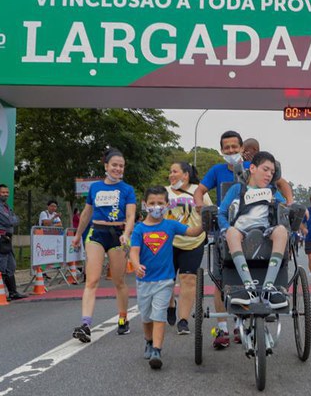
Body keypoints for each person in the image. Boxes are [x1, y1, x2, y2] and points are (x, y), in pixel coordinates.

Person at [130, 186, 204, 369]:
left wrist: (205, 221)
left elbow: (192, 232)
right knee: (146, 317)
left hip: (165, 280)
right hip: (144, 281)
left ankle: (157, 349)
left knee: (159, 315)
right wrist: (136, 265)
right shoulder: (139, 230)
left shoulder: (170, 225)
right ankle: (148, 341)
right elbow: (134, 251)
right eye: (152, 203)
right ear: (145, 205)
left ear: (167, 205)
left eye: (160, 203)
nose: (156, 207)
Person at [71, 149, 137, 343]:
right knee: (91, 280)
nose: (118, 168)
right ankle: (85, 324)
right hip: (96, 234)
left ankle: (123, 318)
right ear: (106, 166)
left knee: (119, 281)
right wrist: (76, 236)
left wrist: (126, 234)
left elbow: (131, 215)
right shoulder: (95, 188)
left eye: (121, 166)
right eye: (114, 165)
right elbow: (86, 214)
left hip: (118, 235)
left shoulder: (127, 189)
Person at [218, 151, 289, 310]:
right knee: (231, 232)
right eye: (265, 169)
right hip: (240, 231)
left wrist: (297, 209)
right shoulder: (237, 189)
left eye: (272, 172)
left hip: (265, 231)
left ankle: (268, 289)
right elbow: (221, 213)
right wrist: (226, 228)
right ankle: (248, 287)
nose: (269, 175)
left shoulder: (273, 192)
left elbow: (286, 209)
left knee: (282, 231)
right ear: (252, 168)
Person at [164, 161, 209, 335]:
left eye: (175, 171)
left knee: (188, 279)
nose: (171, 174)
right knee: (167, 281)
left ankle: (183, 320)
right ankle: (170, 305)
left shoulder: (199, 191)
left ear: (186, 174)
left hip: (193, 241)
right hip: (169, 243)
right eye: (170, 172)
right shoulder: (164, 192)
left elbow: (207, 214)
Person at [0, 184, 27, 301]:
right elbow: (9, 220)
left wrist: (13, 220)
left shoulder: (6, 206)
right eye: (3, 192)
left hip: (8, 239)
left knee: (11, 266)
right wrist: (13, 219)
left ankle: (13, 292)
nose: (5, 194)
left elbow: (15, 220)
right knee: (1, 266)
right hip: (1, 238)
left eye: (7, 192)